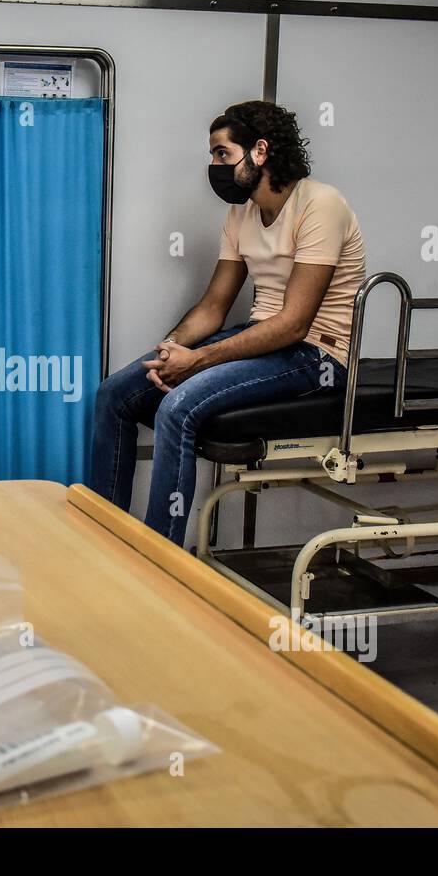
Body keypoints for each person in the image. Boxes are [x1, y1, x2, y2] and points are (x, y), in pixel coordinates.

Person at [88, 100, 366, 544]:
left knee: (178, 408)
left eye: (221, 153)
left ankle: (162, 558)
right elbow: (214, 306)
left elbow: (294, 324)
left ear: (259, 150)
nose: (214, 165)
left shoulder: (321, 205)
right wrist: (172, 348)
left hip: (317, 354)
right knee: (114, 394)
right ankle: (102, 536)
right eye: (213, 155)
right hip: (263, 339)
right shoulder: (241, 214)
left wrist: (196, 362)